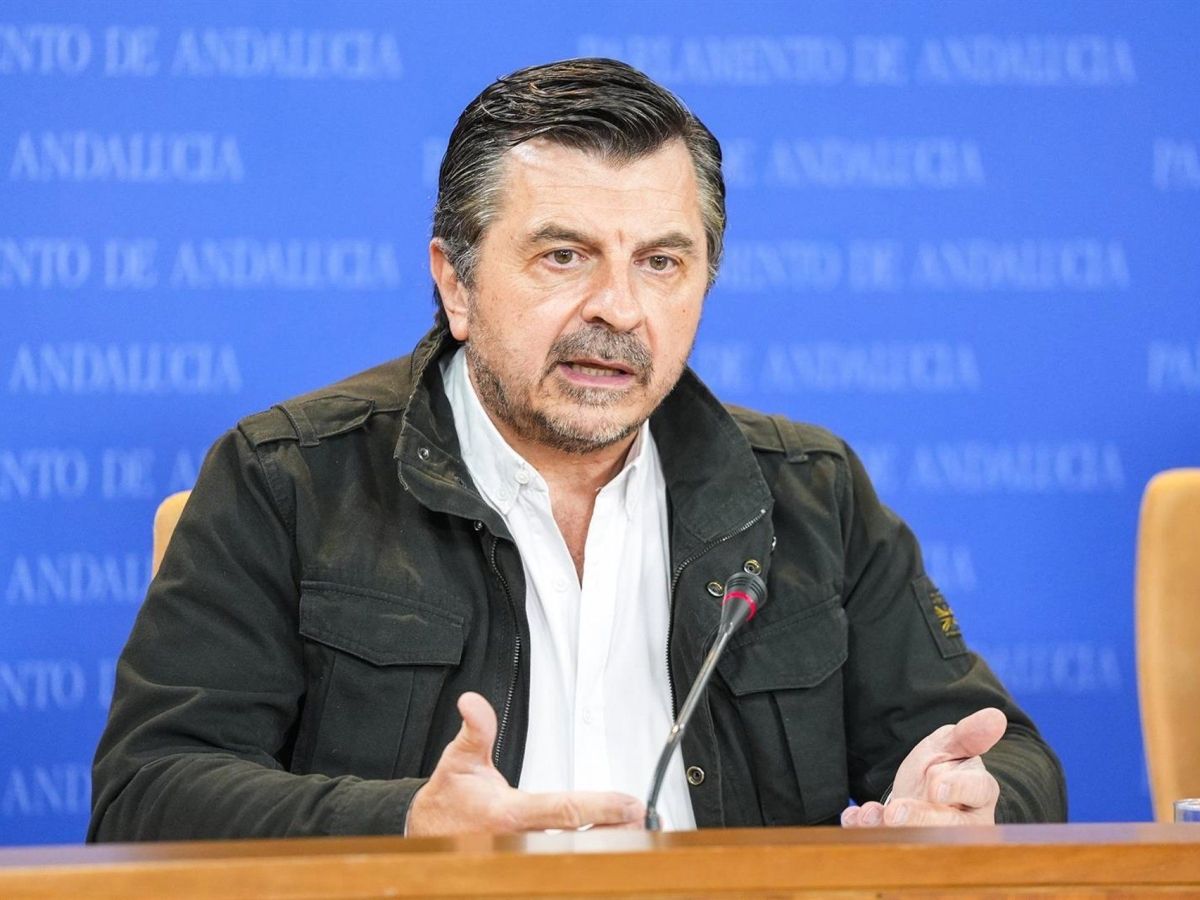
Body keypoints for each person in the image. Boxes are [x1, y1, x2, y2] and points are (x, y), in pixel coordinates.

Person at [89, 58, 1066, 841]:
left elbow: (1011, 761)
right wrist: (403, 823)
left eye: (661, 262)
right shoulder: (289, 478)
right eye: (564, 256)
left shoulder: (810, 495)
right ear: (456, 283)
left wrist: (964, 799)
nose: (619, 309)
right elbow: (147, 791)